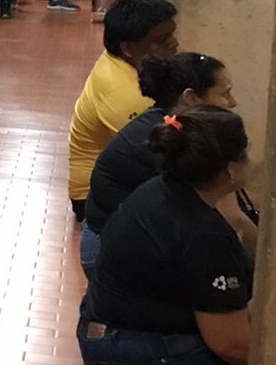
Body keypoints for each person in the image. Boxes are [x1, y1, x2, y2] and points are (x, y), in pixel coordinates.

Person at [78, 107, 253, 365]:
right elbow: (232, 345)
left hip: (107, 336)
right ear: (228, 171)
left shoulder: (167, 188)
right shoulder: (203, 234)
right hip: (136, 361)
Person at [81, 52, 242, 274]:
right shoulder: (166, 143)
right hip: (107, 249)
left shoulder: (170, 125)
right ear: (191, 97)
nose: (233, 103)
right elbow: (232, 217)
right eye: (225, 94)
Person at [68, 0, 178, 221]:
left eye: (173, 35)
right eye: (163, 39)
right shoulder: (125, 91)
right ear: (128, 47)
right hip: (93, 196)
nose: (174, 44)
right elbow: (165, 155)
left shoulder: (123, 62)